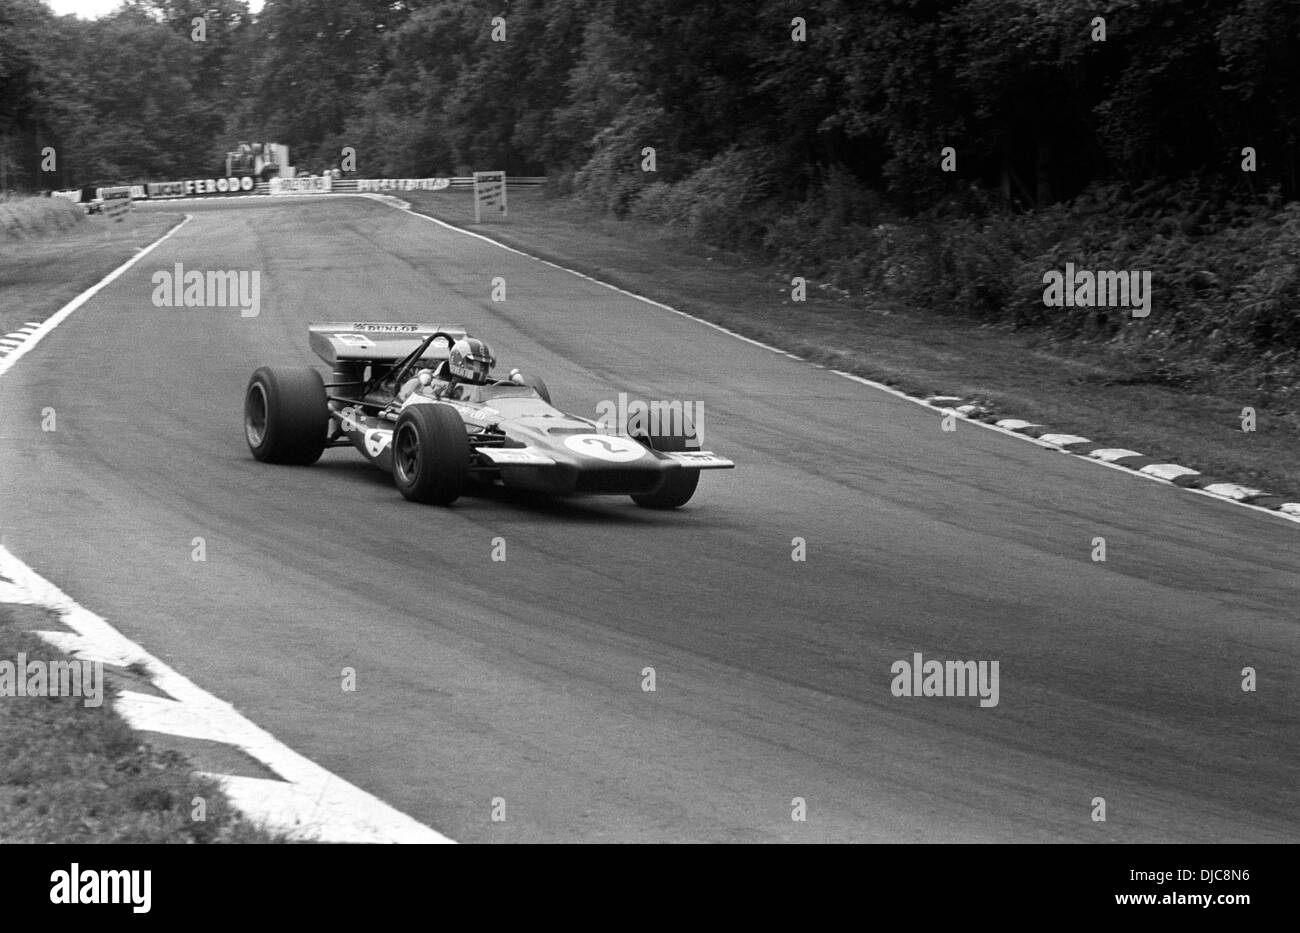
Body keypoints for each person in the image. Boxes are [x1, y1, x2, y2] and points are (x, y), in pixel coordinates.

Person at [398, 336, 496, 402]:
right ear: (458, 360)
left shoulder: (487, 386)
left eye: (483, 365)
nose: (479, 369)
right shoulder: (431, 381)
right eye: (474, 364)